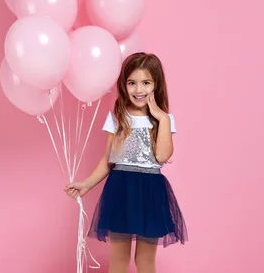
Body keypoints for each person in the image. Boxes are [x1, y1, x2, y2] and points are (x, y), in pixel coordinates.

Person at [65, 52, 187, 273]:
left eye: (145, 83)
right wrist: (86, 184)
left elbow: (162, 156)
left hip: (151, 192)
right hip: (121, 190)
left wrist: (161, 118)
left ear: (156, 85)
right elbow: (108, 160)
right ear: (124, 84)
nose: (138, 90)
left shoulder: (164, 120)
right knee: (119, 261)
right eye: (132, 83)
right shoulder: (117, 117)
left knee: (145, 260)